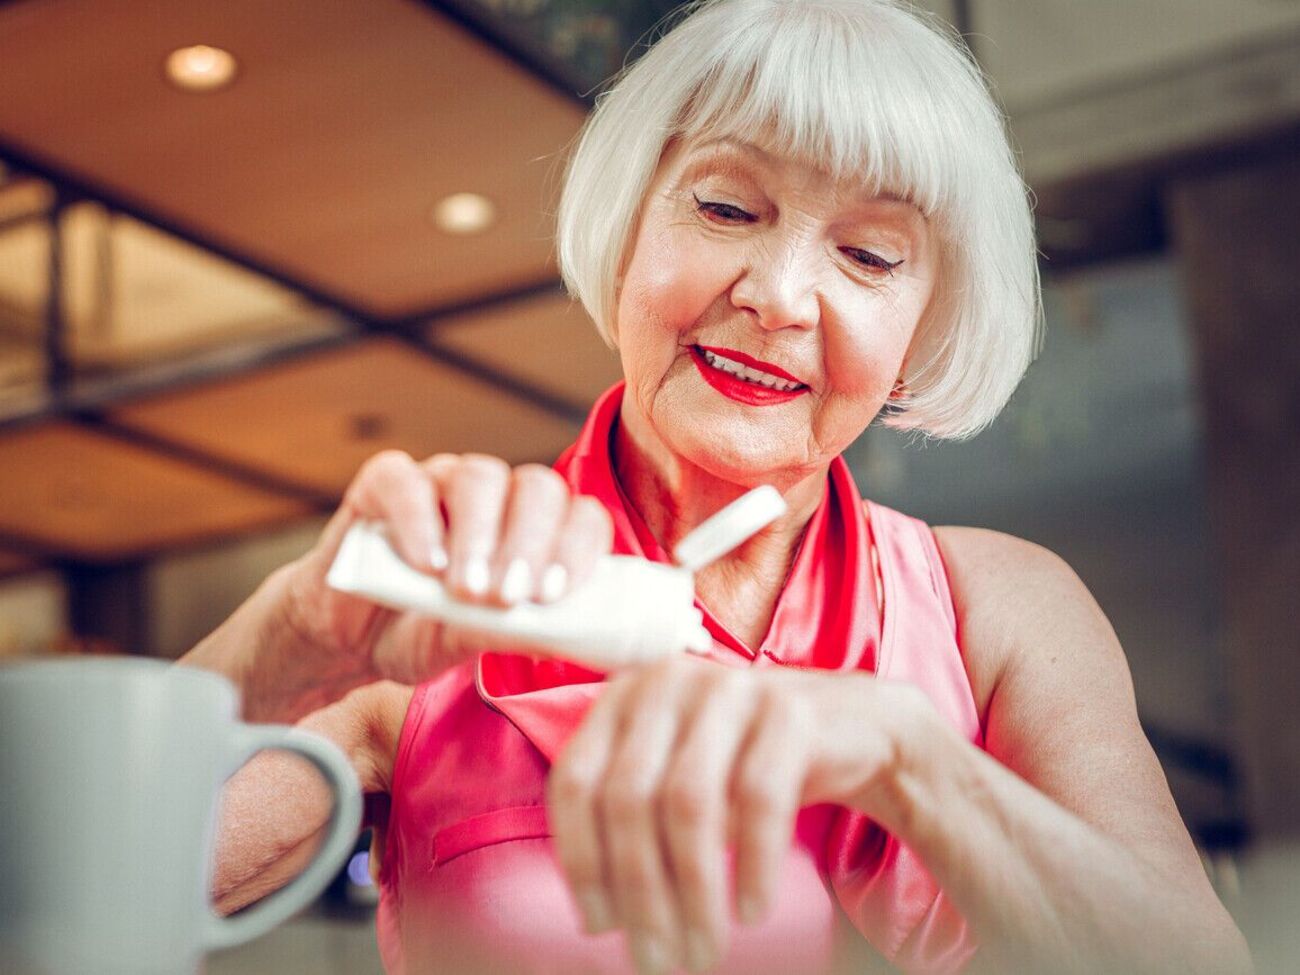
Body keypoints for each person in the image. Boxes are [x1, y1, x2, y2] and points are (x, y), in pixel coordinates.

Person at [180, 1, 1251, 972]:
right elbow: (38, 904)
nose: (779, 296)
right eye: (727, 208)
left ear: (927, 318)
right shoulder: (434, 607)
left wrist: (907, 758)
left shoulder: (1002, 608)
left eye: (871, 258)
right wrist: (280, 648)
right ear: (631, 223)